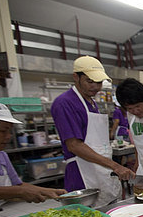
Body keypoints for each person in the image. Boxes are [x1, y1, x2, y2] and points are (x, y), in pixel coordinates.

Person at [51, 56, 135, 205]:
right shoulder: (64, 103)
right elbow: (74, 145)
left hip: (101, 170)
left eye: (99, 82)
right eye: (90, 81)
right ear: (76, 77)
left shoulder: (92, 103)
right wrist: (115, 166)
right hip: (82, 173)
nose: (96, 87)